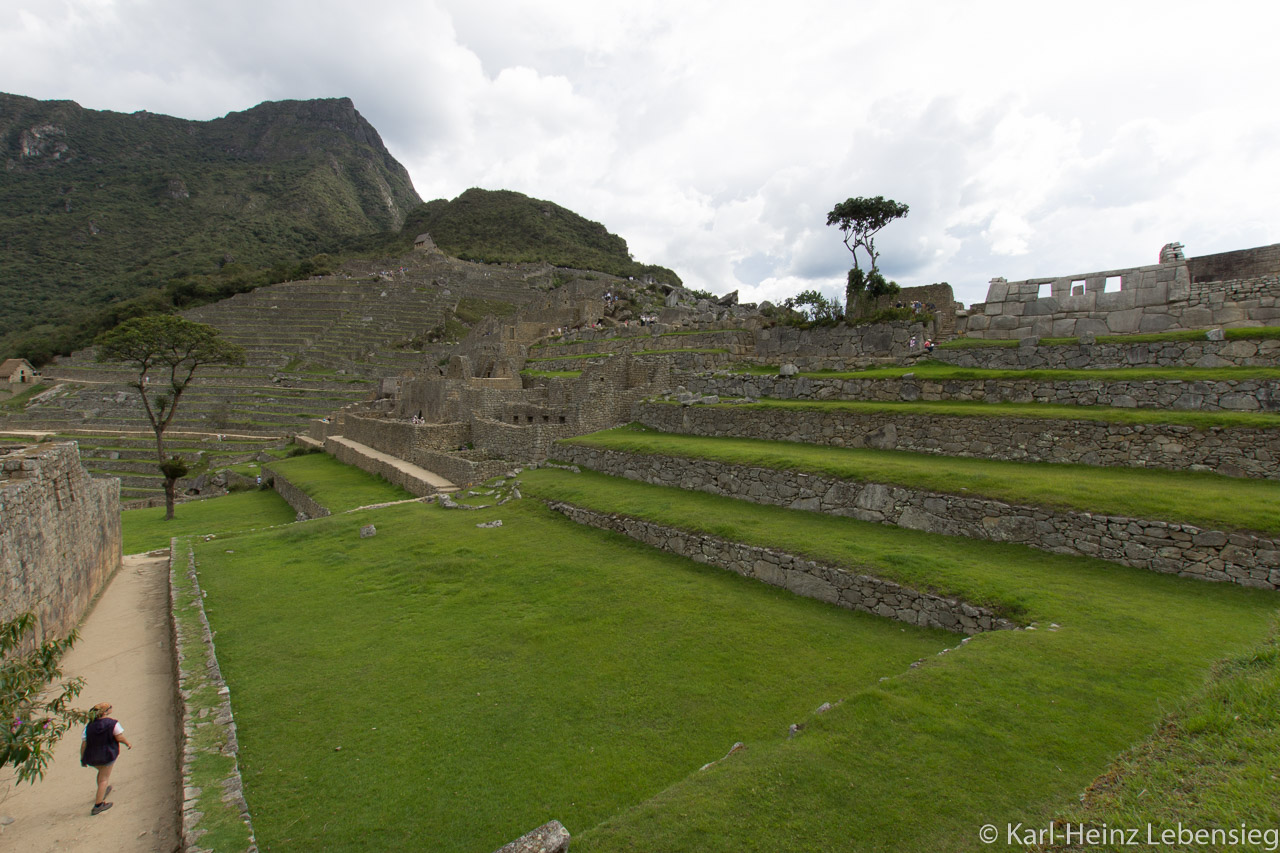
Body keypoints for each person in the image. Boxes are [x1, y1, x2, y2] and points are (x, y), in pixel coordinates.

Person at [81, 701, 132, 815]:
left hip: (92, 756)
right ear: (105, 712)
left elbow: (84, 744)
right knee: (104, 779)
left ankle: (101, 792)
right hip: (107, 755)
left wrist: (82, 758)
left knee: (101, 773)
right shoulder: (112, 724)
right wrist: (127, 743)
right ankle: (98, 805)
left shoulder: (89, 726)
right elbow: (119, 737)